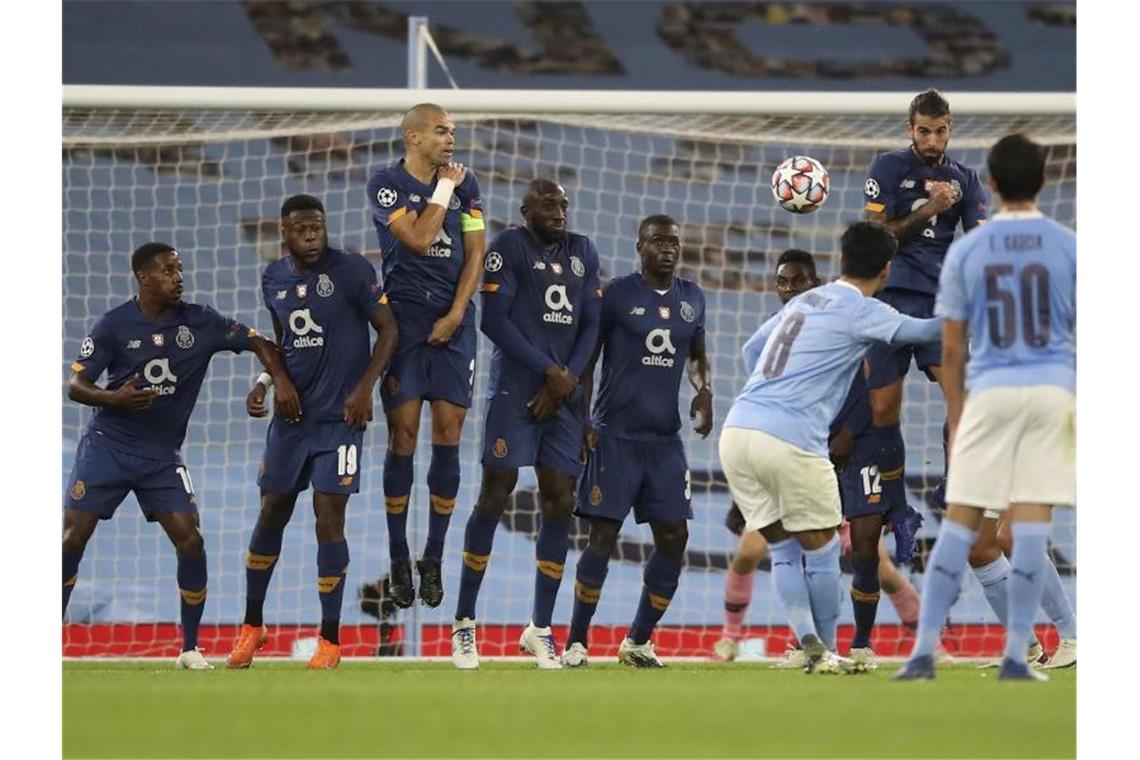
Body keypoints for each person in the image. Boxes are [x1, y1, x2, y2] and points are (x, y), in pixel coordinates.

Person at [63, 242, 300, 670]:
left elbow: (260, 342)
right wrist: (113, 398)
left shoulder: (201, 321)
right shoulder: (113, 325)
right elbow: (76, 385)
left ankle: (190, 648)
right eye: (168, 270)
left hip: (161, 456)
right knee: (71, 539)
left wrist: (274, 381)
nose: (179, 276)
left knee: (191, 540)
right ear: (144, 277)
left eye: (180, 268)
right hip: (107, 447)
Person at [719, 221, 941, 674]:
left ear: (840, 262)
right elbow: (923, 332)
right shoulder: (864, 310)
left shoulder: (802, 301)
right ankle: (826, 649)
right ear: (886, 270)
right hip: (791, 440)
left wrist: (773, 397)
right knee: (820, 552)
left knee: (781, 547)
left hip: (738, 428)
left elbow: (750, 351)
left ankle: (807, 644)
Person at [895, 134, 1075, 681]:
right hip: (1052, 392)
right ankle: (1042, 646)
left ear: (990, 185)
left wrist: (957, 415)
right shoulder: (1070, 245)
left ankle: (951, 651)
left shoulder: (968, 250)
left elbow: (951, 347)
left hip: (991, 393)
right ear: (1044, 181)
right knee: (1006, 534)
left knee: (965, 528)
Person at [226, 195, 398, 670]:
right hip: (291, 421)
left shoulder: (352, 270)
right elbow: (285, 342)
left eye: (317, 226)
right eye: (301, 227)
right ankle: (252, 626)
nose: (311, 233)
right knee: (271, 513)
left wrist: (365, 389)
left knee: (328, 517)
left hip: (341, 420)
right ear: (284, 233)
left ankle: (329, 639)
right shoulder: (274, 277)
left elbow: (387, 330)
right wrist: (269, 380)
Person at [450, 179, 601, 669]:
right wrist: (548, 372)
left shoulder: (584, 251)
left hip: (564, 399)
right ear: (525, 210)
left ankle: (539, 628)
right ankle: (465, 624)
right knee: (496, 492)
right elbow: (494, 320)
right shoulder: (508, 247)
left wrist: (568, 380)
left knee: (560, 500)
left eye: (563, 203)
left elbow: (592, 325)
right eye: (548, 204)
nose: (559, 211)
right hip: (516, 393)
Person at [561, 214, 712, 668]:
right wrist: (583, 417)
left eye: (674, 242)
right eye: (659, 241)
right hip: (615, 436)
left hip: (665, 441)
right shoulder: (617, 295)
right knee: (602, 536)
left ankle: (639, 641)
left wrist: (704, 390)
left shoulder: (692, 298)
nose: (668, 248)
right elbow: (588, 359)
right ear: (640, 246)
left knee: (674, 534)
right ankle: (576, 642)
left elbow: (697, 354)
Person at [366, 103, 486, 608]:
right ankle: (398, 557)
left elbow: (476, 251)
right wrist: (443, 191)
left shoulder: (469, 183)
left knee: (448, 433)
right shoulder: (386, 184)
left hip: (455, 324)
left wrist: (458, 313)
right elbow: (416, 240)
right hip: (406, 323)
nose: (450, 140)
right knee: (404, 434)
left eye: (452, 132)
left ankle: (432, 557)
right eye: (441, 132)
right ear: (414, 138)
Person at [861, 88, 986, 552]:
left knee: (964, 402)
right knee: (882, 410)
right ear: (910, 130)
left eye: (940, 130)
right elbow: (876, 236)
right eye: (923, 131)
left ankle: (951, 488)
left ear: (950, 129)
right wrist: (932, 208)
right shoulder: (888, 168)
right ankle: (898, 507)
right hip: (889, 301)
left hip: (940, 305)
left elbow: (978, 245)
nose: (932, 139)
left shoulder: (967, 180)